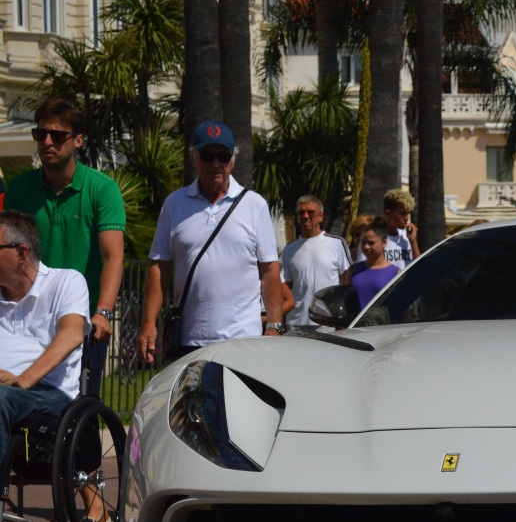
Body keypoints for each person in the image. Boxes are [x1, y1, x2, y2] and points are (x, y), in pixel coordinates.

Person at [137, 120, 283, 363]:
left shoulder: (254, 205)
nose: (216, 164)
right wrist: (149, 323)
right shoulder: (174, 204)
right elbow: (159, 267)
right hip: (189, 340)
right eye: (207, 155)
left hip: (243, 339)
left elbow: (269, 269)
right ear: (194, 158)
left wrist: (275, 326)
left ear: (233, 160)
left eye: (223, 156)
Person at [6, 98, 126, 397]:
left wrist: (104, 312)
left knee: (80, 409)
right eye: (40, 134)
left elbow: (113, 256)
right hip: (28, 316)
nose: (47, 141)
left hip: (82, 319)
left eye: (58, 136)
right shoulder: (19, 188)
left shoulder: (101, 188)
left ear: (78, 141)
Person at [0, 210, 88, 479]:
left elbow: (72, 334)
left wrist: (23, 380)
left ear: (21, 253)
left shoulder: (66, 281)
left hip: (49, 393)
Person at [281, 195, 349, 329]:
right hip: (296, 322)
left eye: (310, 212)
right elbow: (285, 287)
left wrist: (344, 317)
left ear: (321, 216)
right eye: (301, 212)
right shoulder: (289, 249)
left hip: (327, 322)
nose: (305, 216)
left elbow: (347, 281)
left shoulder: (336, 244)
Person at [342, 219, 399, 307]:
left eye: (371, 243)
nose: (366, 247)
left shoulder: (396, 273)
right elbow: (346, 301)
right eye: (363, 242)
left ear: (384, 242)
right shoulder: (353, 270)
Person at [382, 189, 420, 270]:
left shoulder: (407, 236)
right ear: (388, 213)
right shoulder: (375, 238)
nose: (407, 218)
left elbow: (419, 267)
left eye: (408, 213)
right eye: (402, 213)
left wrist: (413, 241)